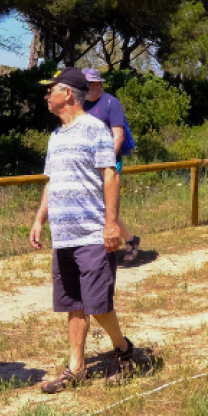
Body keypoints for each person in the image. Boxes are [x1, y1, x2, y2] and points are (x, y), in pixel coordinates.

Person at [29, 67, 138, 393]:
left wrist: (111, 225)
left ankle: (123, 350)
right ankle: (75, 368)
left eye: (52, 90)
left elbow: (110, 176)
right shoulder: (56, 136)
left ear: (69, 94)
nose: (47, 96)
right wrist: (39, 219)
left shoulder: (95, 130)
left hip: (92, 234)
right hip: (63, 237)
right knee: (73, 304)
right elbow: (52, 182)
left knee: (98, 304)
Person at [81, 68, 141, 262]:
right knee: (98, 205)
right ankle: (130, 239)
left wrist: (105, 161)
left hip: (109, 163)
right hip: (87, 163)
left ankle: (121, 241)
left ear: (98, 84)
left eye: (90, 84)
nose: (87, 88)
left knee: (106, 205)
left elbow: (118, 136)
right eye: (85, 84)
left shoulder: (111, 103)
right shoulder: (81, 104)